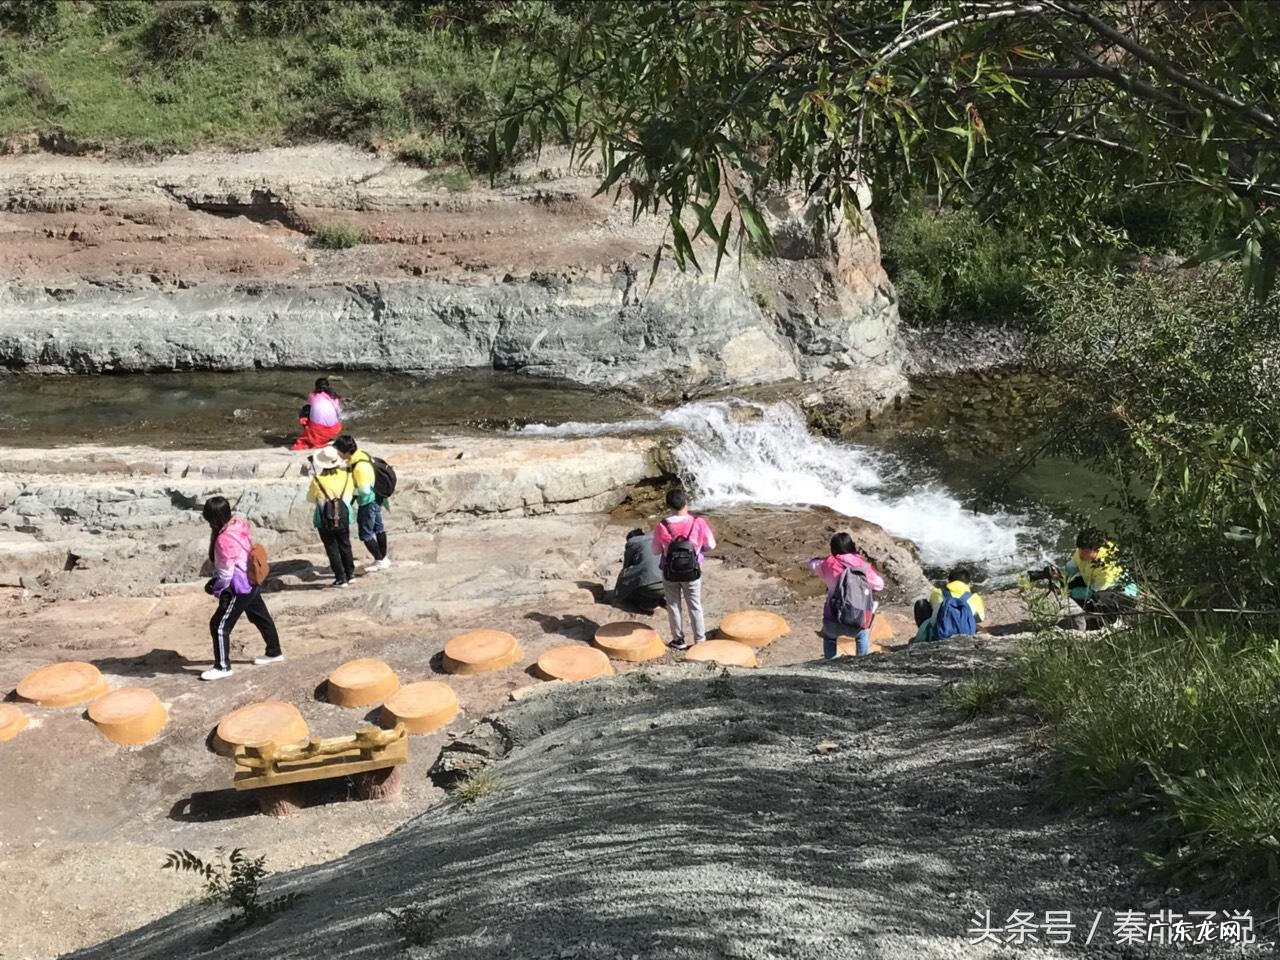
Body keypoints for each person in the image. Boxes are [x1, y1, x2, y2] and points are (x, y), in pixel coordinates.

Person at [200, 496, 282, 681]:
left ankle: (222, 667)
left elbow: (226, 573)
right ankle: (274, 651)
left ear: (214, 519)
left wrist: (216, 588)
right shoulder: (239, 524)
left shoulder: (223, 540)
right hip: (252, 579)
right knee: (261, 617)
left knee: (219, 625)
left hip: (239, 587)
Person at [651, 488, 717, 650]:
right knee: (695, 605)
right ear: (686, 503)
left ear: (668, 506)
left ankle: (678, 640)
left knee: (673, 605)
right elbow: (711, 545)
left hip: (670, 571)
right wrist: (699, 549)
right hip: (692, 572)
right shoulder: (698, 522)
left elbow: (655, 551)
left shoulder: (662, 526)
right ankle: (700, 640)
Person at [808, 531, 884, 658]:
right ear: (852, 546)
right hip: (858, 619)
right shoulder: (863, 566)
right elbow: (879, 585)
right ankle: (862, 661)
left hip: (833, 617)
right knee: (863, 635)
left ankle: (830, 663)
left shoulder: (828, 563)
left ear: (833, 548)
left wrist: (821, 558)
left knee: (829, 638)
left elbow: (812, 563)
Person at [1057, 527, 1138, 629]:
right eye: (1080, 549)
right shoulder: (1082, 551)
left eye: (1084, 551)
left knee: (1098, 599)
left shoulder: (1107, 567)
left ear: (1096, 550)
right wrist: (1057, 573)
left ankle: (1112, 620)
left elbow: (1093, 593)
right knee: (1072, 584)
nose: (1080, 553)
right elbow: (1070, 569)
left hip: (1119, 594)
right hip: (1093, 581)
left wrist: (1069, 592)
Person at [334, 434, 390, 572]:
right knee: (379, 528)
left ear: (345, 452)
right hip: (377, 497)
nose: (338, 454)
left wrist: (351, 492)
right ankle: (383, 557)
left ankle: (379, 560)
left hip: (368, 502)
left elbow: (364, 491)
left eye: (339, 451)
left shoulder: (359, 468)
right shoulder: (362, 455)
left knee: (365, 534)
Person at [307, 445, 356, 587]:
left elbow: (310, 499)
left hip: (325, 518)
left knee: (332, 548)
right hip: (344, 515)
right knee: (345, 544)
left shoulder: (318, 481)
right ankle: (350, 574)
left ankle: (341, 578)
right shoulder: (346, 476)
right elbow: (349, 495)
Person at [913, 565, 985, 643]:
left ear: (949, 581)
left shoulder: (937, 592)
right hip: (966, 634)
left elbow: (933, 612)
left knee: (921, 604)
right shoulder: (975, 597)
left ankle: (926, 638)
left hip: (940, 634)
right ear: (969, 583)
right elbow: (981, 618)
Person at [613, 528, 664, 610]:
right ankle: (659, 599)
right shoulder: (657, 540)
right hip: (670, 585)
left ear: (629, 540)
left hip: (651, 587)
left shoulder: (632, 544)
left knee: (627, 577)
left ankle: (645, 604)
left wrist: (619, 593)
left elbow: (626, 569)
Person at [291, 377, 343, 451]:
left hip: (318, 429)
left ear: (316, 386)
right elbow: (338, 412)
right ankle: (325, 436)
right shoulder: (334, 396)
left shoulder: (312, 395)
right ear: (328, 386)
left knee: (306, 408)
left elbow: (311, 406)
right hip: (335, 428)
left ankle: (311, 432)